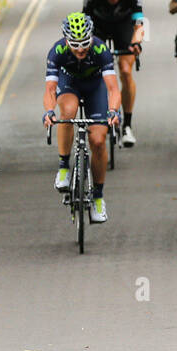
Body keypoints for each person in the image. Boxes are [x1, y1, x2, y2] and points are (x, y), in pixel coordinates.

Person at [42, 13, 121, 223]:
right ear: (66, 40)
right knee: (67, 112)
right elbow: (50, 89)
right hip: (70, 84)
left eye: (84, 44)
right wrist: (49, 112)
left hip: (96, 87)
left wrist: (113, 111)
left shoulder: (101, 50)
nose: (80, 50)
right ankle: (63, 167)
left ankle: (98, 196)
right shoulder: (57, 51)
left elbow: (113, 88)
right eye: (75, 45)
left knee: (97, 140)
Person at [81, 0, 146, 147]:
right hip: (99, 28)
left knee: (125, 70)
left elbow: (140, 25)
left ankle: (127, 126)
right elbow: (84, 28)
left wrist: (136, 43)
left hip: (123, 27)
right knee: (95, 68)